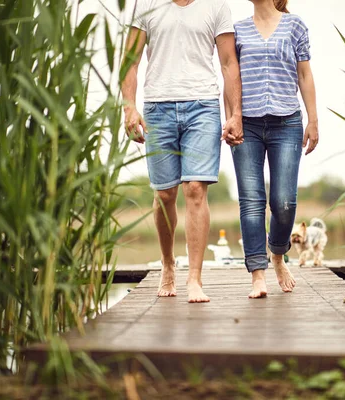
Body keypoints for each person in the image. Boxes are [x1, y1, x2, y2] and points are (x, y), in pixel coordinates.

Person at [121, 0, 243, 303]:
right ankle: (168, 265)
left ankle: (194, 278)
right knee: (164, 194)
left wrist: (235, 114)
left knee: (195, 189)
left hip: (202, 106)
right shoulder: (146, 4)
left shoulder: (216, 6)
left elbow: (229, 63)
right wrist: (129, 107)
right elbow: (130, 61)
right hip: (157, 108)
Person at [231, 0, 319, 298]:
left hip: (287, 123)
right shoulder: (238, 30)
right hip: (248, 126)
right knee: (251, 202)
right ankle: (258, 274)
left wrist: (313, 119)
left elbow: (305, 75)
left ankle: (278, 254)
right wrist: (232, 118)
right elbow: (232, 78)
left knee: (284, 203)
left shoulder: (295, 26)